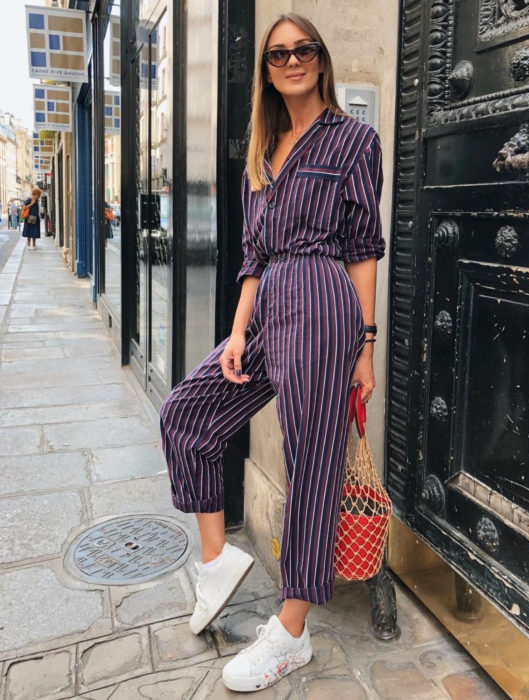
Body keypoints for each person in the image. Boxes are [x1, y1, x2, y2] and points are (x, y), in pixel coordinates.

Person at [160, 13, 385, 693]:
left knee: (310, 463)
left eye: (303, 50)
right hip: (268, 302)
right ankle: (214, 563)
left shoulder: (353, 141)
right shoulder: (262, 149)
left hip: (323, 299)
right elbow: (253, 256)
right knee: (186, 417)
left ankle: (291, 632)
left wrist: (364, 347)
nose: (291, 60)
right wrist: (235, 330)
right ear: (265, 69)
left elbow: (364, 249)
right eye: (277, 54)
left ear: (320, 60)